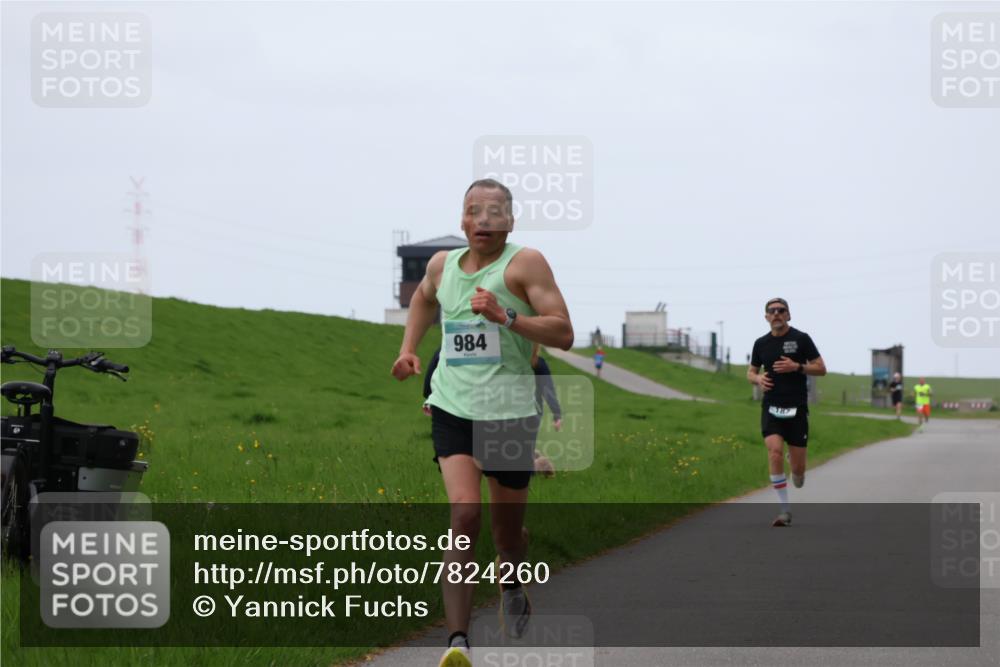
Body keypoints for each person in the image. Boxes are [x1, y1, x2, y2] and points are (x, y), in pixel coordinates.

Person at [391, 178, 573, 667]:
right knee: (464, 517)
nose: (484, 220)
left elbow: (564, 332)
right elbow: (424, 300)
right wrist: (409, 348)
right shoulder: (441, 265)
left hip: (510, 414)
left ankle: (511, 577)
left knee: (507, 536)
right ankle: (457, 642)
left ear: (510, 222)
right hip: (453, 408)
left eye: (495, 213)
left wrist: (507, 317)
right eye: (475, 211)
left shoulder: (525, 264)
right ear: (462, 220)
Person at [746, 298, 827, 527]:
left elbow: (822, 368)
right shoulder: (761, 344)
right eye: (771, 311)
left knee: (799, 474)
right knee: (774, 452)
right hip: (771, 406)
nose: (776, 314)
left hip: (797, 408)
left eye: (781, 310)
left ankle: (797, 466)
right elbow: (750, 373)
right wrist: (758, 378)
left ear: (788, 315)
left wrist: (798, 367)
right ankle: (784, 510)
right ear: (766, 317)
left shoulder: (801, 339)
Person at [422, 344, 561, 477]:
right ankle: (531, 457)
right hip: (487, 411)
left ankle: (541, 464)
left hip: (527, 414)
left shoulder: (534, 362)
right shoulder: (453, 350)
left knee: (516, 465)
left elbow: (548, 389)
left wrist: (557, 414)